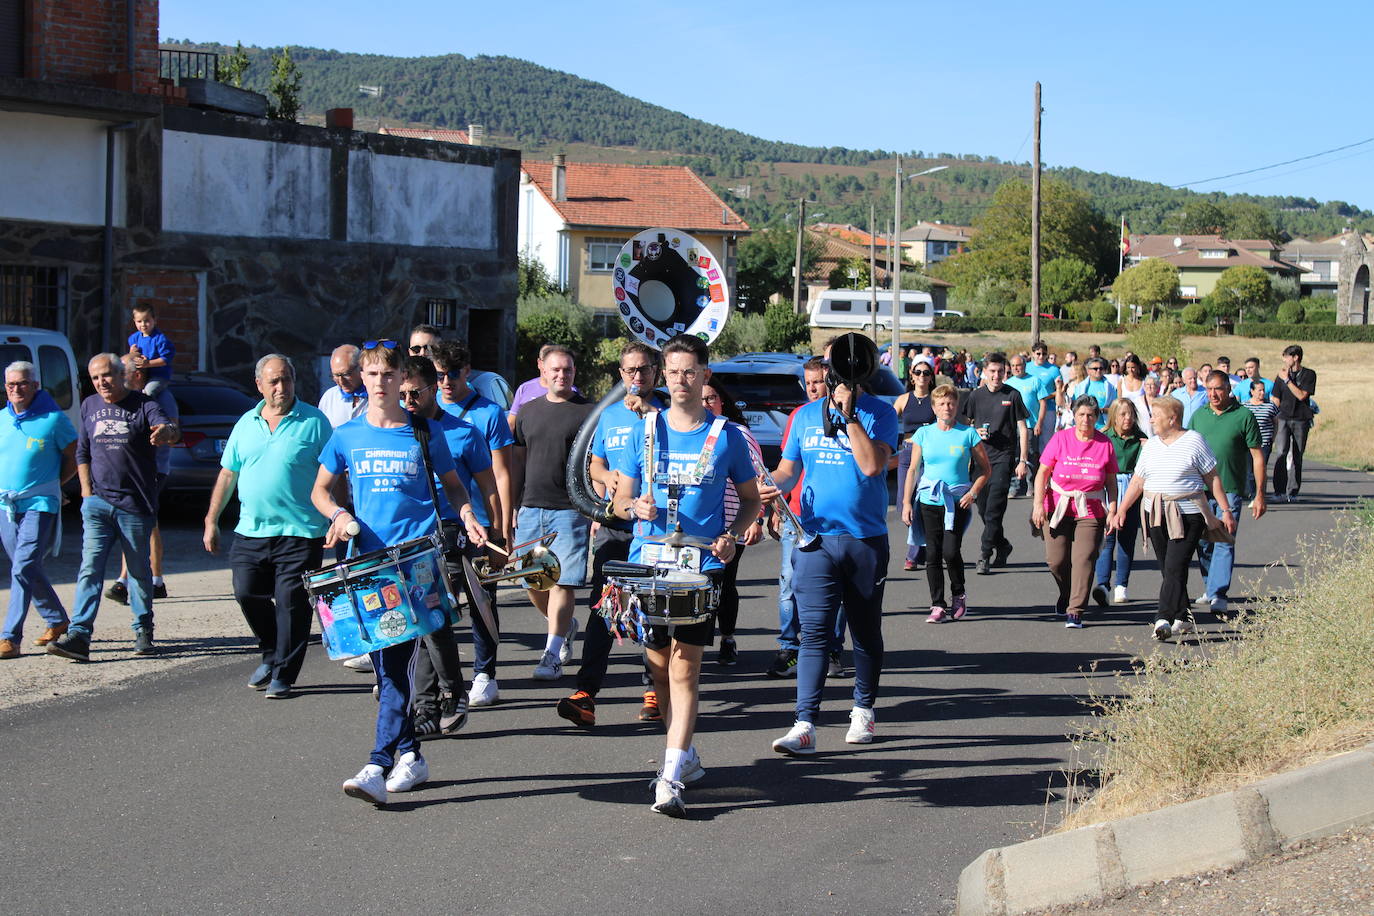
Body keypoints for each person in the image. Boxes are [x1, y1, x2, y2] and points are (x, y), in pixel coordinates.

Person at [311, 339, 486, 806]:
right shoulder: (346, 435)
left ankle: (378, 761)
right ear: (362, 379)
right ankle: (410, 754)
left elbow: (454, 488)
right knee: (389, 663)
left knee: (396, 663)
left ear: (402, 380)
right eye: (372, 375)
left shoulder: (424, 433)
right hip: (368, 566)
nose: (380, 383)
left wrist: (467, 515)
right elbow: (321, 492)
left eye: (389, 376)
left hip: (416, 565)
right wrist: (340, 517)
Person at [611, 334, 761, 817]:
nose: (680, 380)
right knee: (657, 668)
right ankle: (687, 755)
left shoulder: (727, 435)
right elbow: (619, 500)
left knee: (685, 667)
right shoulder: (645, 430)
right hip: (650, 561)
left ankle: (669, 775)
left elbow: (752, 499)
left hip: (702, 566)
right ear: (663, 374)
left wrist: (733, 533)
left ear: (705, 375)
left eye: (689, 371)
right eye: (672, 371)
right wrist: (635, 505)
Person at [763, 339, 898, 756]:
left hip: (864, 541)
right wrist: (769, 487)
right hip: (815, 540)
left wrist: (850, 416)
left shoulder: (881, 413)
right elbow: (788, 470)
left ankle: (863, 708)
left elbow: (872, 465)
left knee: (864, 630)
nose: (834, 385)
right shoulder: (803, 417)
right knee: (814, 634)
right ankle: (804, 723)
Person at [203, 354, 331, 698]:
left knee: (292, 602)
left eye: (286, 379)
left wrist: (338, 516)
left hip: (301, 531)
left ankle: (284, 675)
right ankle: (272, 651)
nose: (281, 387)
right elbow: (228, 473)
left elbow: (335, 474)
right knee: (246, 591)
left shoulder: (315, 422)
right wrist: (211, 519)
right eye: (273, 381)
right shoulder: (245, 423)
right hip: (251, 530)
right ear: (259, 385)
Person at [557, 342, 664, 728]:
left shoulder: (667, 412)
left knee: (652, 611)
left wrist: (651, 414)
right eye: (630, 370)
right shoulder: (609, 417)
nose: (637, 376)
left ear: (657, 371)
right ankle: (586, 694)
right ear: (620, 375)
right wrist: (606, 478)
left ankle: (655, 690)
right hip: (616, 528)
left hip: (655, 530)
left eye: (644, 369)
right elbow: (596, 463)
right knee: (604, 610)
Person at [47, 354, 177, 662]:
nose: (101, 382)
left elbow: (169, 428)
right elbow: (82, 452)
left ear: (123, 376)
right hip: (98, 505)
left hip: (135, 504)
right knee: (89, 569)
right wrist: (87, 493)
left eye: (106, 375)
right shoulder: (90, 405)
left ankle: (143, 630)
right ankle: (79, 635)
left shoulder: (144, 405)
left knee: (138, 571)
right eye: (95, 378)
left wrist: (165, 433)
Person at [400, 356, 502, 736]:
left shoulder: (464, 432)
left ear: (431, 390)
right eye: (403, 394)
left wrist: (497, 533)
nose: (408, 401)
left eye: (415, 393)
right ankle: (428, 703)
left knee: (439, 617)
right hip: (411, 538)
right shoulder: (395, 433)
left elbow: (489, 486)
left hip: (455, 533)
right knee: (424, 621)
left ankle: (461, 685)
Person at [431, 339, 514, 705]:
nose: (446, 381)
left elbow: (501, 474)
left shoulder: (489, 413)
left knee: (482, 600)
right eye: (439, 375)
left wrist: (502, 528)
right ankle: (437, 674)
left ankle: (485, 672)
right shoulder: (421, 415)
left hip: (480, 521)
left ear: (467, 372)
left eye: (453, 373)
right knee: (438, 602)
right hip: (437, 526)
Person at [1117, 396, 1235, 640]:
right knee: (1168, 568)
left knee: (1174, 565)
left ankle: (1163, 618)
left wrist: (1224, 510)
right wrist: (1121, 510)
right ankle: (1183, 615)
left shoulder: (1194, 441)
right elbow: (1138, 481)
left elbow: (1211, 478)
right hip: (1155, 512)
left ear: (1172, 419)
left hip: (1188, 514)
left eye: (1156, 416)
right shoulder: (1150, 445)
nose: (1151, 420)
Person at [511, 345, 594, 680]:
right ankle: (564, 625)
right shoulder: (528, 411)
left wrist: (594, 509)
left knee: (564, 582)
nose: (562, 375)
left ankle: (552, 652)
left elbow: (594, 462)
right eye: (556, 370)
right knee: (533, 582)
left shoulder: (588, 411)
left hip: (570, 510)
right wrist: (512, 507)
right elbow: (517, 462)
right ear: (542, 371)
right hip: (531, 508)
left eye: (568, 370)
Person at [0, 362, 77, 659]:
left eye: (22, 384)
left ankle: (10, 637)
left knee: (22, 567)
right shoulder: (3, 419)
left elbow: (74, 453)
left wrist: (55, 486)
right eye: (10, 385)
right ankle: (57, 620)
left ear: (35, 385)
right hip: (6, 506)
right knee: (27, 567)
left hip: (40, 503)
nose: (16, 390)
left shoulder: (53, 419)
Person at [765, 357, 837, 680]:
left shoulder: (845, 415)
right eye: (807, 383)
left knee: (837, 590)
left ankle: (833, 648)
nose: (812, 388)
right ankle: (789, 648)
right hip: (797, 516)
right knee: (788, 584)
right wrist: (774, 505)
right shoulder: (798, 417)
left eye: (818, 382)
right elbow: (785, 470)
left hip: (834, 519)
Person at [902, 384, 989, 623]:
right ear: (933, 407)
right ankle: (937, 605)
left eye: (950, 403)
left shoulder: (967, 434)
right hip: (929, 499)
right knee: (932, 553)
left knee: (950, 552)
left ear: (957, 406)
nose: (946, 408)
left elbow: (985, 469)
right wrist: (907, 503)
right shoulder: (923, 434)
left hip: (957, 501)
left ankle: (958, 593)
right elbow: (912, 470)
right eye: (941, 404)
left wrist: (973, 492)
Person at [1031, 396, 1119, 628]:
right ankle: (1067, 592)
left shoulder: (1104, 444)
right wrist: (1038, 504)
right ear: (1074, 415)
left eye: (1090, 415)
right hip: (1058, 507)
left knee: (1083, 559)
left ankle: (1076, 609)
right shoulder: (1061, 439)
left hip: (1090, 509)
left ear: (1097, 417)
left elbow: (1111, 481)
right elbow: (1042, 473)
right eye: (1081, 414)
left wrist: (1113, 509)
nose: (1085, 420)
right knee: (1056, 562)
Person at [699, 377, 764, 666]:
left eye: (711, 398)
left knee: (724, 583)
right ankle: (692, 645)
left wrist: (756, 519)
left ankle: (727, 638)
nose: (706, 404)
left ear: (721, 401)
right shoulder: (686, 432)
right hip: (697, 524)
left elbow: (760, 478)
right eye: (701, 399)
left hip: (732, 523)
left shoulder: (737, 433)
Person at [1189, 369, 1266, 617]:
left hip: (1230, 488)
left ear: (1229, 389)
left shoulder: (1243, 416)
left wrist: (1260, 494)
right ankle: (1210, 586)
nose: (1213, 394)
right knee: (1203, 541)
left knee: (1223, 539)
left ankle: (1218, 593)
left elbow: (1257, 456)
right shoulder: (1199, 416)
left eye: (1218, 389)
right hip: (1200, 490)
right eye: (1209, 389)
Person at [105, 355, 180, 604]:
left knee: (137, 520)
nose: (117, 379)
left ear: (136, 375)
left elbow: (174, 430)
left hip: (154, 469)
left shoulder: (161, 397)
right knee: (148, 523)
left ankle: (124, 581)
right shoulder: (127, 400)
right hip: (134, 470)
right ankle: (156, 580)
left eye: (120, 373)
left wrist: (162, 433)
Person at [957, 352, 1029, 574]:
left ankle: (984, 555)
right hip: (979, 459)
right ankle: (1003, 545)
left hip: (1003, 459)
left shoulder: (1013, 395)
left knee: (994, 511)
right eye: (992, 371)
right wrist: (974, 433)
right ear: (984, 372)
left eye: (1000, 372)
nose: (997, 376)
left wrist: (1023, 460)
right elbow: (965, 427)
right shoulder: (976, 396)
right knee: (984, 510)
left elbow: (1023, 429)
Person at [1093, 398, 1147, 607]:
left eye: (1130, 414)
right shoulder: (1105, 438)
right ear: (1114, 416)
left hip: (1132, 488)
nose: (1127, 418)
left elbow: (1144, 467)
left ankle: (1121, 586)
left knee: (1126, 537)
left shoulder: (1140, 439)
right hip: (1109, 488)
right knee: (1107, 539)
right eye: (1122, 414)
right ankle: (1103, 585)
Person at [894, 356, 938, 566]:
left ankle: (912, 555)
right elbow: (889, 422)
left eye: (926, 373)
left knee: (922, 502)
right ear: (911, 376)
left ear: (931, 378)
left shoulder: (935, 399)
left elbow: (948, 422)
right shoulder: (903, 399)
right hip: (907, 452)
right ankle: (922, 545)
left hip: (928, 454)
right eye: (918, 372)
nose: (922, 376)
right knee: (905, 501)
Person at [1270, 345, 1316, 503]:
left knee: (1297, 455)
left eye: (1286, 356)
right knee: (1281, 452)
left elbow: (1302, 395)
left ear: (1295, 357)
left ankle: (1293, 492)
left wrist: (1288, 380)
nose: (1284, 360)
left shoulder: (1309, 374)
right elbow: (1275, 398)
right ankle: (1279, 491)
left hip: (1301, 419)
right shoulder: (1281, 375)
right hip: (1283, 418)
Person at [1005, 353, 1053, 497]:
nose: (1015, 368)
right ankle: (1014, 486)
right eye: (1013, 366)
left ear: (1024, 365)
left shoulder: (1035, 381)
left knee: (1030, 454)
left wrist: (1039, 422)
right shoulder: (1008, 383)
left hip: (1030, 425)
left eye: (1018, 365)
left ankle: (1031, 484)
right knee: (1014, 454)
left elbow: (1043, 403)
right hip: (1013, 426)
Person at [508, 343, 582, 430]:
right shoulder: (525, 388)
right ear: (540, 363)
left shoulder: (572, 391)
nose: (561, 375)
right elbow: (511, 423)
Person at [126, 304, 174, 397]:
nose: (143, 324)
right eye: (139, 321)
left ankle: (151, 410)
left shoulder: (160, 339)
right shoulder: (134, 338)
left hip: (158, 376)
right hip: (140, 375)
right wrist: (132, 353)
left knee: (149, 392)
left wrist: (148, 363)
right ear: (134, 321)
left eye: (147, 321)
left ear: (154, 320)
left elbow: (165, 360)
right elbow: (132, 356)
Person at [1242, 379, 1277, 504]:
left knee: (1262, 469)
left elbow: (1276, 422)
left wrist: (1273, 437)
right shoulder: (1245, 406)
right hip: (1249, 444)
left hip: (1265, 442)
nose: (1262, 393)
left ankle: (1260, 494)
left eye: (1264, 390)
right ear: (1252, 391)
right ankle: (1253, 496)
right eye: (1259, 390)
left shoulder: (1270, 405)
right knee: (1250, 471)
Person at [318, 344, 367, 429]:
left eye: (346, 374)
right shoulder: (329, 397)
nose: (341, 381)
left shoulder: (376, 394)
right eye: (336, 375)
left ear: (360, 367)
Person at [1067, 357, 1116, 431]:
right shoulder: (1080, 387)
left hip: (1103, 427)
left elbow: (1116, 408)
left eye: (1101, 368)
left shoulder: (1110, 388)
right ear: (1088, 371)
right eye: (1095, 368)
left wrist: (1102, 410)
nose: (1098, 370)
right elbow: (1074, 406)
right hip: (1085, 425)